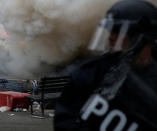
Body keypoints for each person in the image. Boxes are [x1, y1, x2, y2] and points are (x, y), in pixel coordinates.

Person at [54, 0, 157, 130]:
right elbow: (65, 119)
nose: (111, 37)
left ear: (142, 36)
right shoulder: (91, 73)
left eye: (118, 30)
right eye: (110, 30)